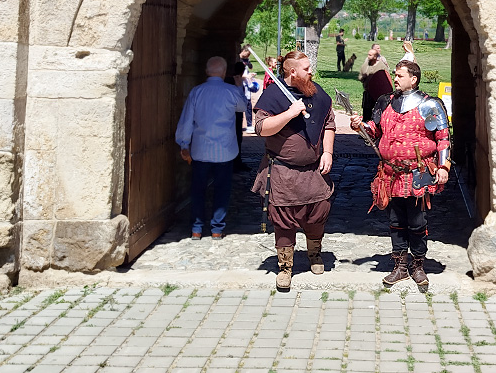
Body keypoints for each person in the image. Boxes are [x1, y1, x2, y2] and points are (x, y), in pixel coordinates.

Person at [350, 60, 450, 293]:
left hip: (418, 173)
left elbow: (443, 137)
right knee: (395, 222)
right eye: (395, 75)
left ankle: (418, 265)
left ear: (413, 79)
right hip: (390, 174)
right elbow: (374, 130)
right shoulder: (385, 102)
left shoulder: (430, 104)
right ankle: (400, 266)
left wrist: (443, 167)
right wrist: (359, 126)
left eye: (400, 75)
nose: (395, 79)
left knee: (417, 222)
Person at [251, 50, 335, 291]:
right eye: (306, 68)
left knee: (317, 214)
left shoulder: (317, 93)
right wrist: (289, 113)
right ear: (293, 71)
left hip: (313, 172)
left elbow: (329, 123)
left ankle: (314, 255)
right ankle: (285, 267)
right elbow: (261, 128)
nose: (311, 72)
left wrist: (328, 152)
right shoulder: (273, 95)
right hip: (282, 173)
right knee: (284, 221)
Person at [174, 56, 248, 239]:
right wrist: (239, 86)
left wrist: (184, 143)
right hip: (225, 150)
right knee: (222, 190)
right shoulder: (231, 91)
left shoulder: (196, 92)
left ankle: (196, 228)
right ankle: (217, 229)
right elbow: (242, 107)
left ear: (207, 71)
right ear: (224, 73)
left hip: (201, 150)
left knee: (198, 190)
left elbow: (187, 120)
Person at [357, 45, 392, 119]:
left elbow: (385, 80)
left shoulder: (382, 66)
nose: (368, 57)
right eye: (368, 55)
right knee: (366, 117)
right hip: (368, 94)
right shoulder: (366, 65)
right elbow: (360, 77)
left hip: (378, 96)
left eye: (370, 55)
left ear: (375, 57)